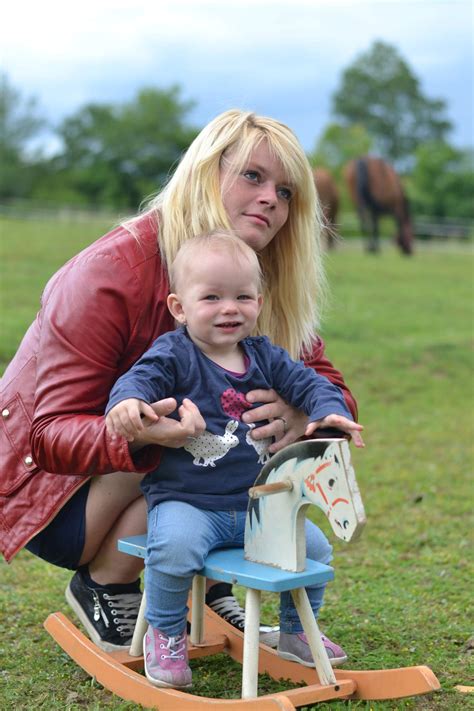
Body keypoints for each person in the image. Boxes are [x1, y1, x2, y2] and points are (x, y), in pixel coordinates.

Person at [0, 109, 358, 655]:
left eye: (285, 192)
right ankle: (106, 582)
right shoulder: (109, 273)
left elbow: (323, 380)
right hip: (58, 498)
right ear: (204, 175)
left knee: (230, 427)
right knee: (199, 430)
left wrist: (299, 415)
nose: (271, 200)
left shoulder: (251, 276)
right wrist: (142, 433)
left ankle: (208, 586)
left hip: (197, 483)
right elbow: (45, 437)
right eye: (252, 177)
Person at [105, 231, 364, 689]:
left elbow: (312, 384)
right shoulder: (173, 354)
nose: (230, 308)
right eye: (212, 297)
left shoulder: (265, 355)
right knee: (174, 548)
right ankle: (166, 632)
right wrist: (128, 404)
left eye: (242, 296)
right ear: (179, 307)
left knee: (316, 549)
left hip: (254, 506)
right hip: (188, 501)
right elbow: (137, 380)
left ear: (259, 301)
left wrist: (330, 412)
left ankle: (294, 630)